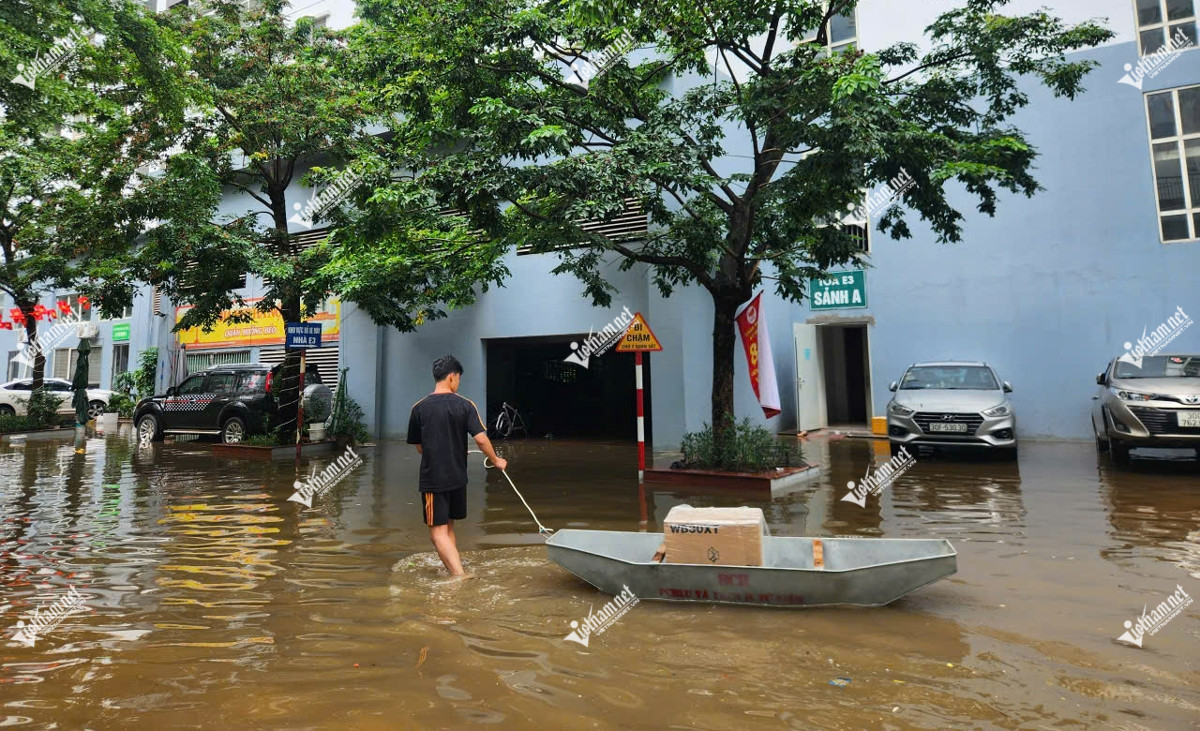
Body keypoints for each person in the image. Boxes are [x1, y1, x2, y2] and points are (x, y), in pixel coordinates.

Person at [406, 355, 507, 577]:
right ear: (452, 376)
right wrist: (496, 460)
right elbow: (481, 439)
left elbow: (420, 448)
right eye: (458, 378)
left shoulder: (419, 408)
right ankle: (453, 568)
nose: (458, 383)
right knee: (448, 527)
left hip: (434, 479)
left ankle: (459, 577)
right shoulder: (465, 405)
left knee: (437, 533)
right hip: (458, 478)